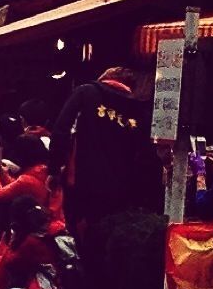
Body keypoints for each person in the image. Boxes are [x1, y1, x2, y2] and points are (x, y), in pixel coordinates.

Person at [49, 67, 159, 237]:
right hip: (120, 189)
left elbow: (61, 131)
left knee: (79, 233)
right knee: (108, 236)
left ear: (105, 78)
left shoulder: (86, 93)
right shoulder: (139, 109)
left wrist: (54, 169)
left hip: (82, 182)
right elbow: (145, 152)